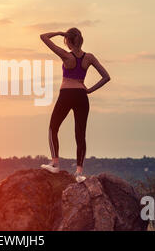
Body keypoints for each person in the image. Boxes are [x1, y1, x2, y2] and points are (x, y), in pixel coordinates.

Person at [39, 28, 110, 183]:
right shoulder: (89, 57)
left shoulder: (66, 55)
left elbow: (43, 37)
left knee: (53, 127)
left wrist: (58, 33)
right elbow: (106, 77)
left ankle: (55, 163)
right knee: (80, 134)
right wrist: (89, 90)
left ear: (68, 41)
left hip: (66, 94)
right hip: (81, 96)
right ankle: (79, 172)